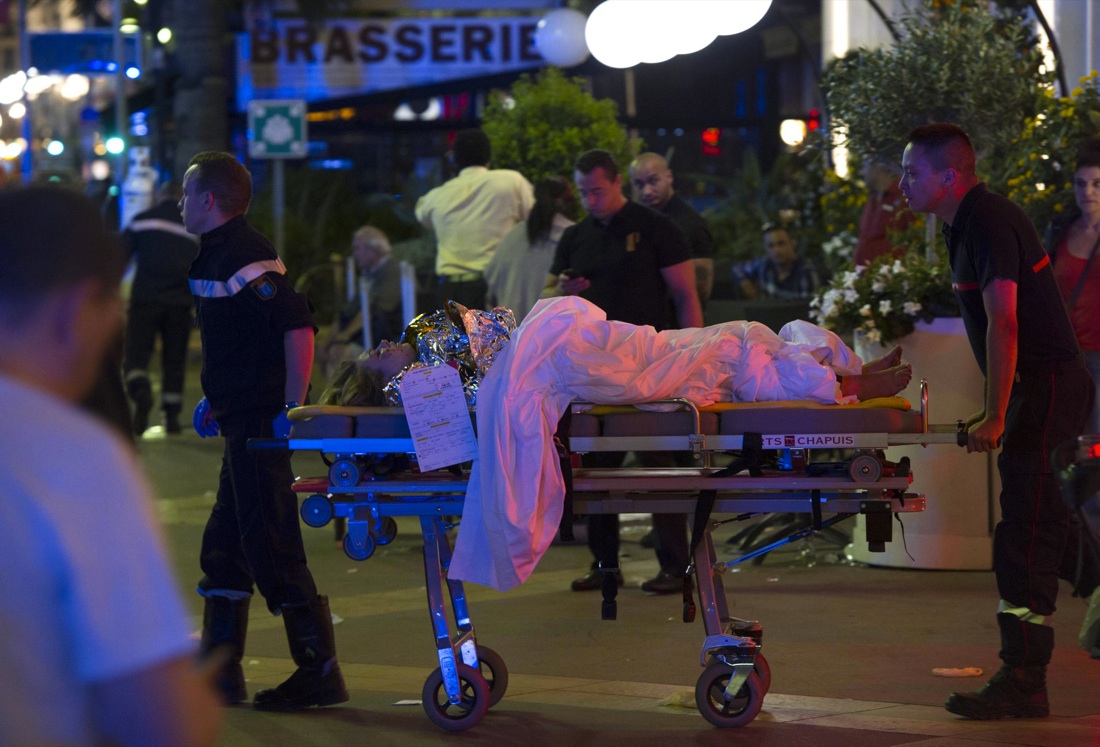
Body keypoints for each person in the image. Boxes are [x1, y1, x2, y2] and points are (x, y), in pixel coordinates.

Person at [0, 186, 222, 746]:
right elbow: (157, 719)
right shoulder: (74, 459)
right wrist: (199, 701)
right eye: (110, 308)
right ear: (75, 311)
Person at [899, 123, 1095, 720]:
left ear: (948, 176)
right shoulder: (962, 224)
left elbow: (1004, 321)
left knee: (1026, 534)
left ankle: (1024, 678)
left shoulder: (987, 220)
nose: (902, 183)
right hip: (1040, 387)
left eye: (912, 172)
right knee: (1048, 521)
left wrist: (997, 414)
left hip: (1047, 386)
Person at [182, 151, 347, 711]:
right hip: (241, 420)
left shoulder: (244, 255)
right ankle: (221, 673)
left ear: (208, 200)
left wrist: (291, 406)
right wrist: (216, 397)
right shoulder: (218, 253)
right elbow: (242, 342)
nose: (181, 204)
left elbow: (296, 326)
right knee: (225, 549)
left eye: (186, 194)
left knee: (271, 545)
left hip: (259, 427)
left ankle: (319, 671)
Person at [545, 148, 706, 595]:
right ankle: (604, 565)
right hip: (594, 366)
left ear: (618, 183)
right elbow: (550, 293)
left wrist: (692, 350)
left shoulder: (656, 228)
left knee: (659, 462)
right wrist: (564, 288)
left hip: (649, 361)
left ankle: (676, 566)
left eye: (597, 190)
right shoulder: (576, 236)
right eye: (583, 192)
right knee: (596, 464)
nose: (590, 199)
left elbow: (685, 293)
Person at [1043, 138, 1100, 658]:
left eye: (1098, 183)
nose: (1089, 192)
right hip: (1070, 360)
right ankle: (1088, 566)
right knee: (1072, 460)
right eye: (1082, 183)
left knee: (1095, 461)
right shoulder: (1060, 233)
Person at [415, 128, 535, 310]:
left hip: (450, 291)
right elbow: (534, 217)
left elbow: (422, 216)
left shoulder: (436, 196)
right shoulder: (511, 182)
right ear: (489, 156)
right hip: (494, 287)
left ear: (454, 159)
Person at [122, 182, 199, 435]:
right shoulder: (192, 229)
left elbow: (120, 255)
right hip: (179, 305)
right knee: (174, 361)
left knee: (136, 356)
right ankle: (171, 416)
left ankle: (141, 392)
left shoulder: (142, 221)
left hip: (145, 300)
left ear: (159, 196)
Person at [485, 175, 577, 322]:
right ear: (568, 200)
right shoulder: (574, 235)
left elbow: (491, 282)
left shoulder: (513, 235)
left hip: (512, 329)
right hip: (552, 331)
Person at [316, 225, 404, 379]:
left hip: (387, 338)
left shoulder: (393, 271)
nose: (355, 254)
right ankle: (336, 393)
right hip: (368, 333)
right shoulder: (369, 274)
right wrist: (327, 342)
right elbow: (346, 313)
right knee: (328, 351)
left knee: (343, 355)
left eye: (357, 248)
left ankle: (345, 394)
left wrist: (342, 338)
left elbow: (373, 311)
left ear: (373, 250)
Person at [629, 152, 716, 306]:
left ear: (669, 176)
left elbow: (701, 288)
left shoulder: (690, 223)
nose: (646, 191)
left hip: (677, 318)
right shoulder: (636, 221)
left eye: (653, 181)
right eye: (639, 184)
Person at [732, 222, 821, 300]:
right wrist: (744, 282)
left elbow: (806, 308)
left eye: (781, 244)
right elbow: (737, 268)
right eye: (771, 246)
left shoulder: (806, 273)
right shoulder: (764, 265)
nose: (776, 251)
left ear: (792, 243)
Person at [853, 159, 914, 267]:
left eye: (864, 167)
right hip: (867, 272)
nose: (862, 172)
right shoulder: (873, 198)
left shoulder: (903, 195)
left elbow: (915, 236)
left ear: (877, 168)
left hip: (891, 272)